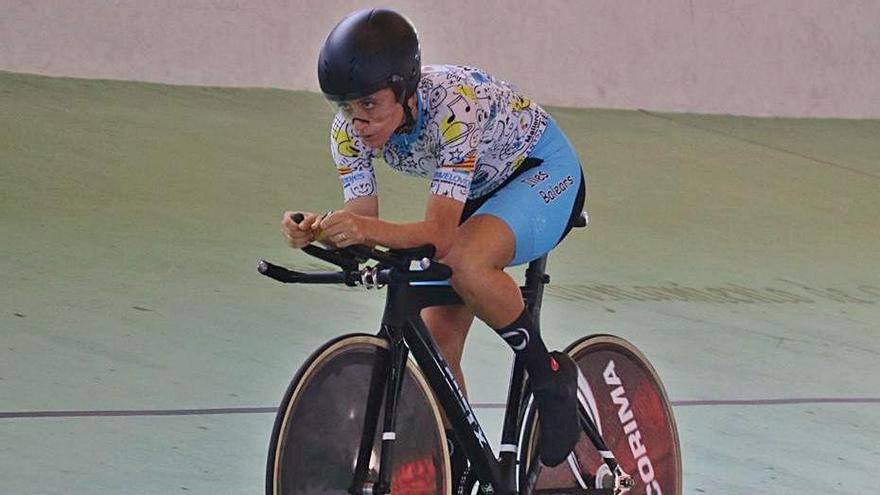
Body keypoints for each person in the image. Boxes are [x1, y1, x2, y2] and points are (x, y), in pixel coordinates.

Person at [281, 7, 586, 471]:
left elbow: (440, 235)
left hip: (542, 173)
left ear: (405, 91)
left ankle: (549, 378)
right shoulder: (348, 131)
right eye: (346, 107)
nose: (358, 122)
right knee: (439, 352)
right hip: (475, 188)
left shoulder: (454, 106)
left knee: (464, 261)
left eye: (370, 106)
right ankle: (462, 463)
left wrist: (359, 228)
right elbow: (362, 220)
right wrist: (320, 230)